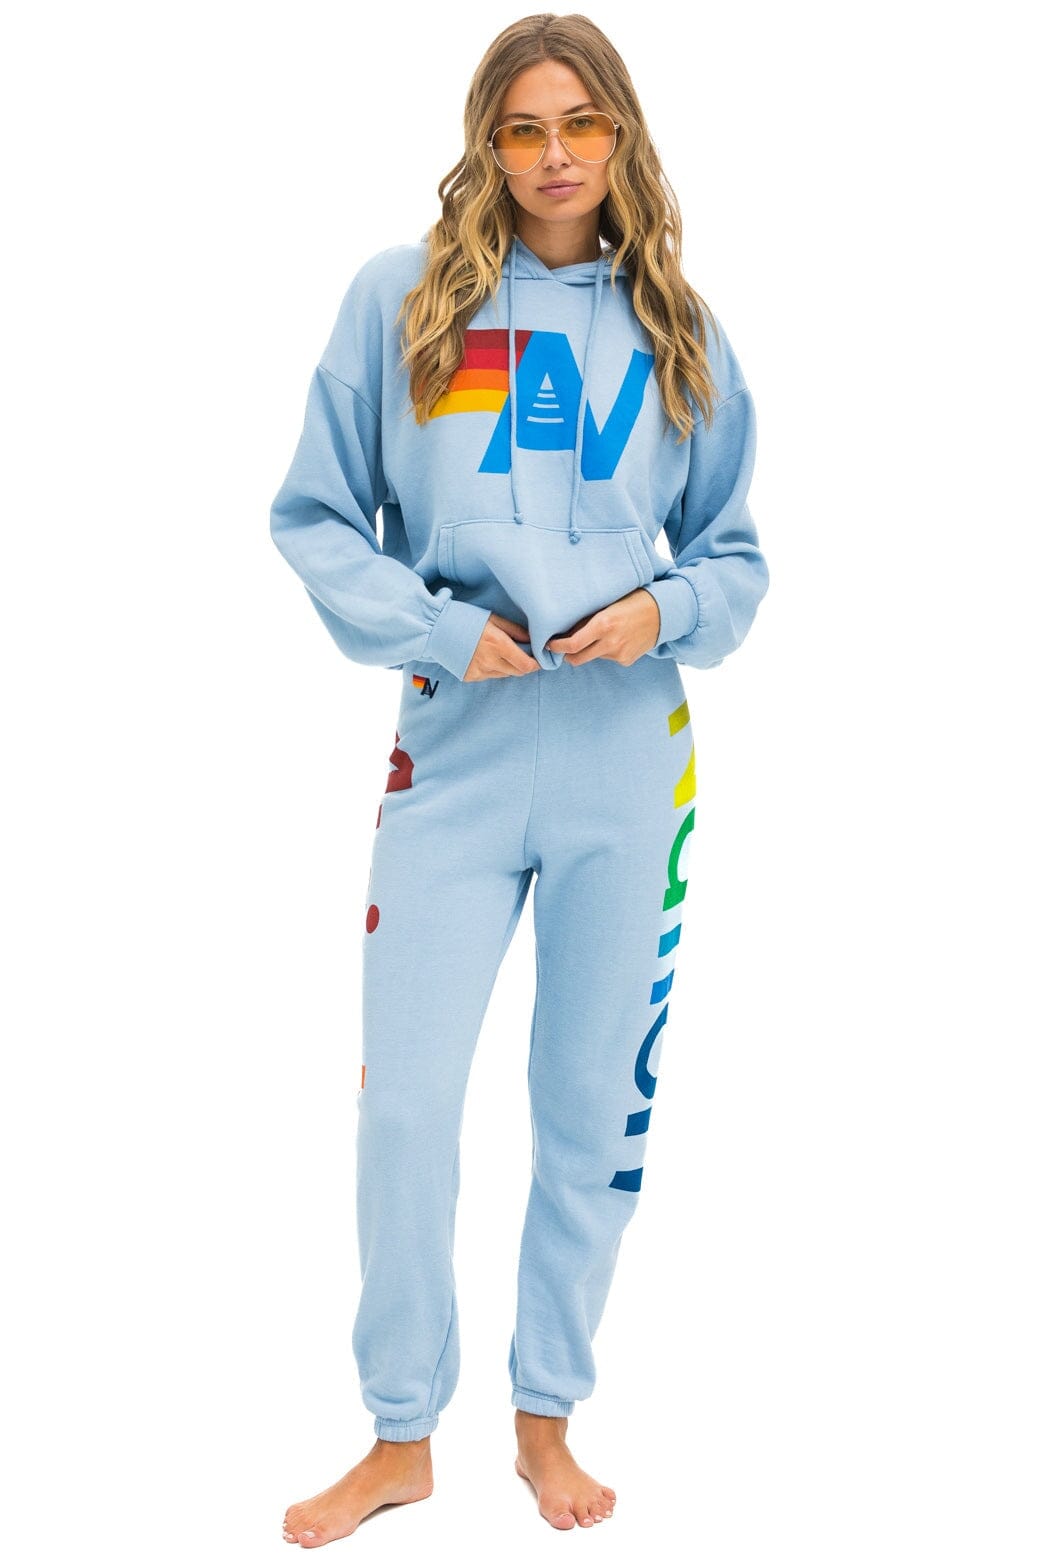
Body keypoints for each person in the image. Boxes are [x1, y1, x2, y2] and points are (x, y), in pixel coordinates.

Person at [270, 11, 769, 1546]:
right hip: (457, 754)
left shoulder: (678, 324)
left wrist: (663, 611)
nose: (557, 156)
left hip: (630, 761)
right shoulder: (403, 298)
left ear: (621, 136)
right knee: (406, 1111)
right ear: (488, 146)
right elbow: (313, 517)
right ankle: (397, 1436)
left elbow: (738, 559)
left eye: (583, 125)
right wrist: (435, 626)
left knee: (589, 1113)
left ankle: (546, 1419)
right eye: (525, 129)